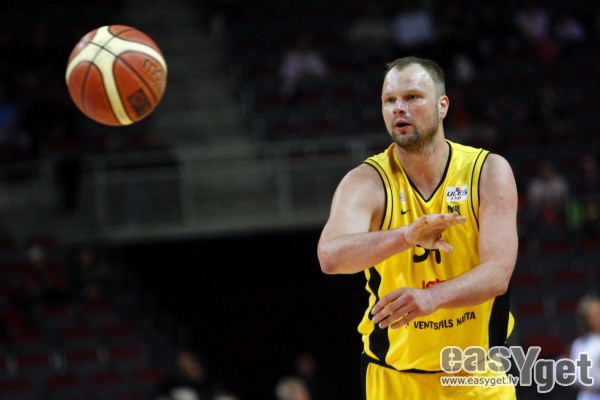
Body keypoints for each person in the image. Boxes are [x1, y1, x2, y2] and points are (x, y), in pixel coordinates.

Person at [316, 57, 518, 399]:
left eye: (412, 97)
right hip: (395, 379)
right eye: (389, 100)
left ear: (442, 106)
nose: (398, 108)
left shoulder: (487, 171)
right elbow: (330, 257)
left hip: (478, 376)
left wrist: (431, 297)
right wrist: (406, 236)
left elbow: (498, 273)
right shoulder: (366, 182)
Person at [570, 295, 600, 400]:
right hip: (589, 395)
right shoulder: (580, 344)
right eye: (595, 315)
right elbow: (578, 377)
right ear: (586, 319)